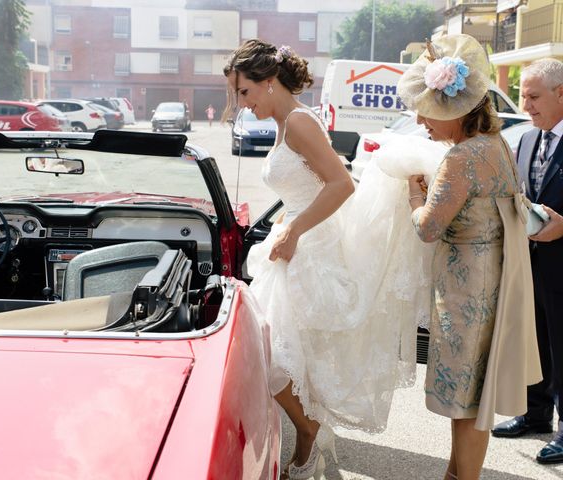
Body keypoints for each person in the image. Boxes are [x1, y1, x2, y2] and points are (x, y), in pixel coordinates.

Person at [224, 39, 425, 480]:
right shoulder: (287, 122)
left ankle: (310, 430)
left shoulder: (297, 122)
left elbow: (341, 184)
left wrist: (294, 230)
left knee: (273, 352)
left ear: (270, 83)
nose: (241, 104)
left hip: (309, 245)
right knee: (283, 351)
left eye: (244, 92)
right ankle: (309, 430)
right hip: (295, 241)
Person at [399, 34, 541, 480]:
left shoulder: (460, 157)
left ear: (454, 110)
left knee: (466, 403)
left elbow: (427, 229)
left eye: (428, 111)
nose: (421, 120)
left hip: (464, 292)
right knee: (474, 398)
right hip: (491, 279)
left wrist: (412, 197)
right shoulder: (497, 144)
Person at [491, 58, 563, 465]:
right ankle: (536, 414)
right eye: (524, 97)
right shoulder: (529, 140)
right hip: (532, 262)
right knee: (535, 341)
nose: (527, 106)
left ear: (561, 93)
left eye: (533, 97)